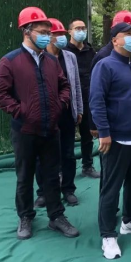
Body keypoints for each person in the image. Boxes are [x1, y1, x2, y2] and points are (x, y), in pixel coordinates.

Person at [0, 7, 79, 240]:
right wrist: (22, 111)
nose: (47, 37)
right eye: (42, 32)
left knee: (52, 175)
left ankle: (56, 216)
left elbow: (64, 86)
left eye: (48, 33)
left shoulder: (51, 61)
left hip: (51, 129)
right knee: (25, 177)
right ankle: (25, 217)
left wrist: (60, 104)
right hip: (25, 131)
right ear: (26, 31)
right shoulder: (10, 61)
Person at [90, 21, 131, 260]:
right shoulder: (105, 66)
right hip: (116, 139)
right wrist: (104, 132)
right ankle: (108, 234)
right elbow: (96, 101)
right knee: (111, 188)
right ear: (115, 40)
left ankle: (129, 220)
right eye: (127, 34)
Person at [34, 18, 83, 208]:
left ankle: (68, 189)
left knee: (68, 154)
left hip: (67, 113)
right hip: (46, 116)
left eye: (63, 34)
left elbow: (75, 84)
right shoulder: (38, 57)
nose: (61, 38)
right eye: (57, 34)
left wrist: (78, 109)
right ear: (49, 36)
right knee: (43, 156)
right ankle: (43, 192)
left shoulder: (69, 57)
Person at [65, 17, 99, 179]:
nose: (81, 31)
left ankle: (88, 166)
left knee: (87, 136)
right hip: (69, 102)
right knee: (67, 138)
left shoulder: (90, 51)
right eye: (77, 28)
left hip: (88, 100)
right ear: (69, 32)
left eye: (83, 28)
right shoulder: (64, 52)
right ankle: (64, 170)